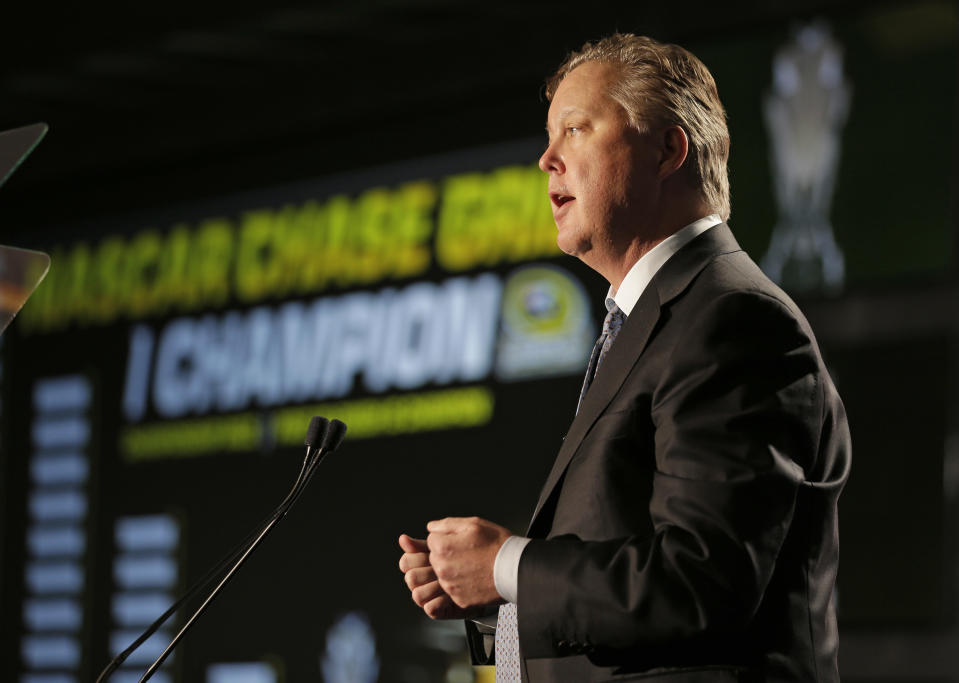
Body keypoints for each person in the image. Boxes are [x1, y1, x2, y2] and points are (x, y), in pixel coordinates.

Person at [398, 33, 850, 682]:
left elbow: (702, 580)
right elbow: (616, 605)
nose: (545, 159)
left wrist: (505, 564)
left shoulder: (732, 318)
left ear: (667, 149)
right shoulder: (651, 323)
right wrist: (487, 601)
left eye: (575, 129)